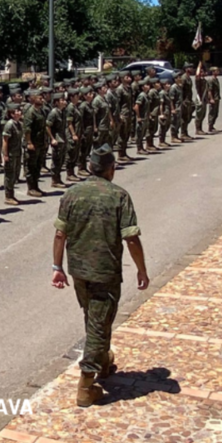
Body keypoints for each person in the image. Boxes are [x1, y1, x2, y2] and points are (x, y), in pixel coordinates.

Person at [51, 144, 148, 408]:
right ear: (111, 169)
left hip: (79, 271)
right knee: (98, 320)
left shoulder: (72, 194)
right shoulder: (119, 196)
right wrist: (141, 269)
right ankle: (85, 385)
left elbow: (60, 233)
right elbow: (131, 238)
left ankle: (103, 361)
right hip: (105, 271)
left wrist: (57, 267)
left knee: (95, 317)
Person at [2, 104, 23, 206]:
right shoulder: (9, 124)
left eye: (19, 110)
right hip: (10, 153)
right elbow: (5, 141)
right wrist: (5, 154)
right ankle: (8, 196)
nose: (19, 112)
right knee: (9, 175)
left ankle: (11, 195)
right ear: (11, 114)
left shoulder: (18, 124)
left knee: (14, 175)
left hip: (17, 153)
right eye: (16, 111)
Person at [47, 92, 68, 189]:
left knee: (61, 160)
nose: (64, 102)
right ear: (56, 102)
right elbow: (47, 126)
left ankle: (58, 178)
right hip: (57, 139)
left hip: (63, 138)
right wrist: (52, 139)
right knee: (56, 161)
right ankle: (54, 180)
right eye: (62, 100)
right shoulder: (54, 112)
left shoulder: (63, 111)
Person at [207, 67, 222, 134]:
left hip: (217, 98)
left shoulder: (216, 79)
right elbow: (209, 90)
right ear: (213, 72)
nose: (218, 72)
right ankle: (210, 127)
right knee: (212, 113)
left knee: (216, 113)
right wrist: (211, 99)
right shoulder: (211, 80)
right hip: (213, 99)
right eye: (216, 71)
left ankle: (212, 126)